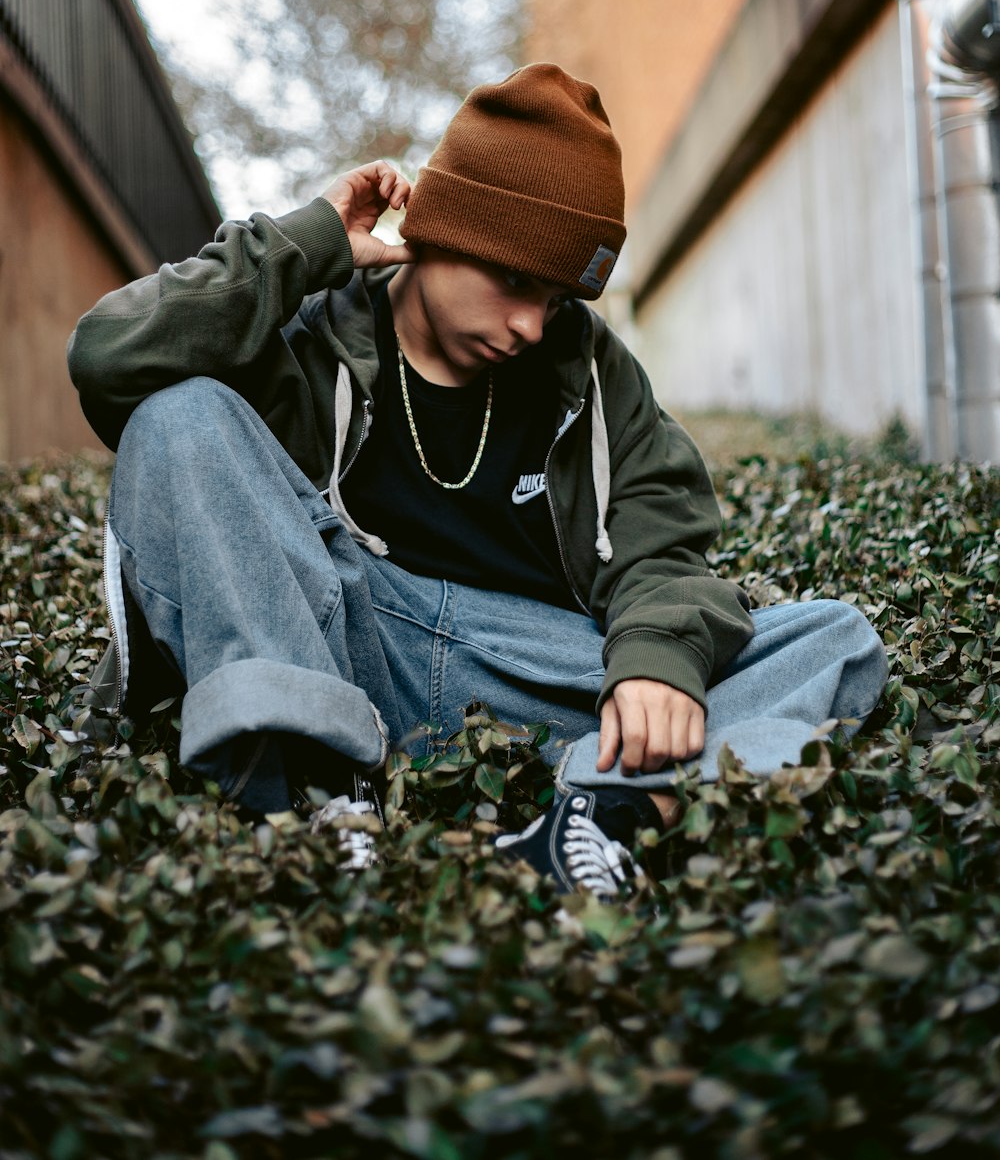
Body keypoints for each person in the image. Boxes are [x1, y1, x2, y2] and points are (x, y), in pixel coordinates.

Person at [68, 63, 887, 897]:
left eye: (558, 296)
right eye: (516, 281)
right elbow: (109, 357)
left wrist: (653, 662)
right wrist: (305, 243)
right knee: (181, 414)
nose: (533, 324)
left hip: (521, 666)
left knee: (833, 639)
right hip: (341, 637)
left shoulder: (591, 368)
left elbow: (662, 540)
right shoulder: (312, 329)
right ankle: (319, 798)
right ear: (441, 230)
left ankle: (597, 821)